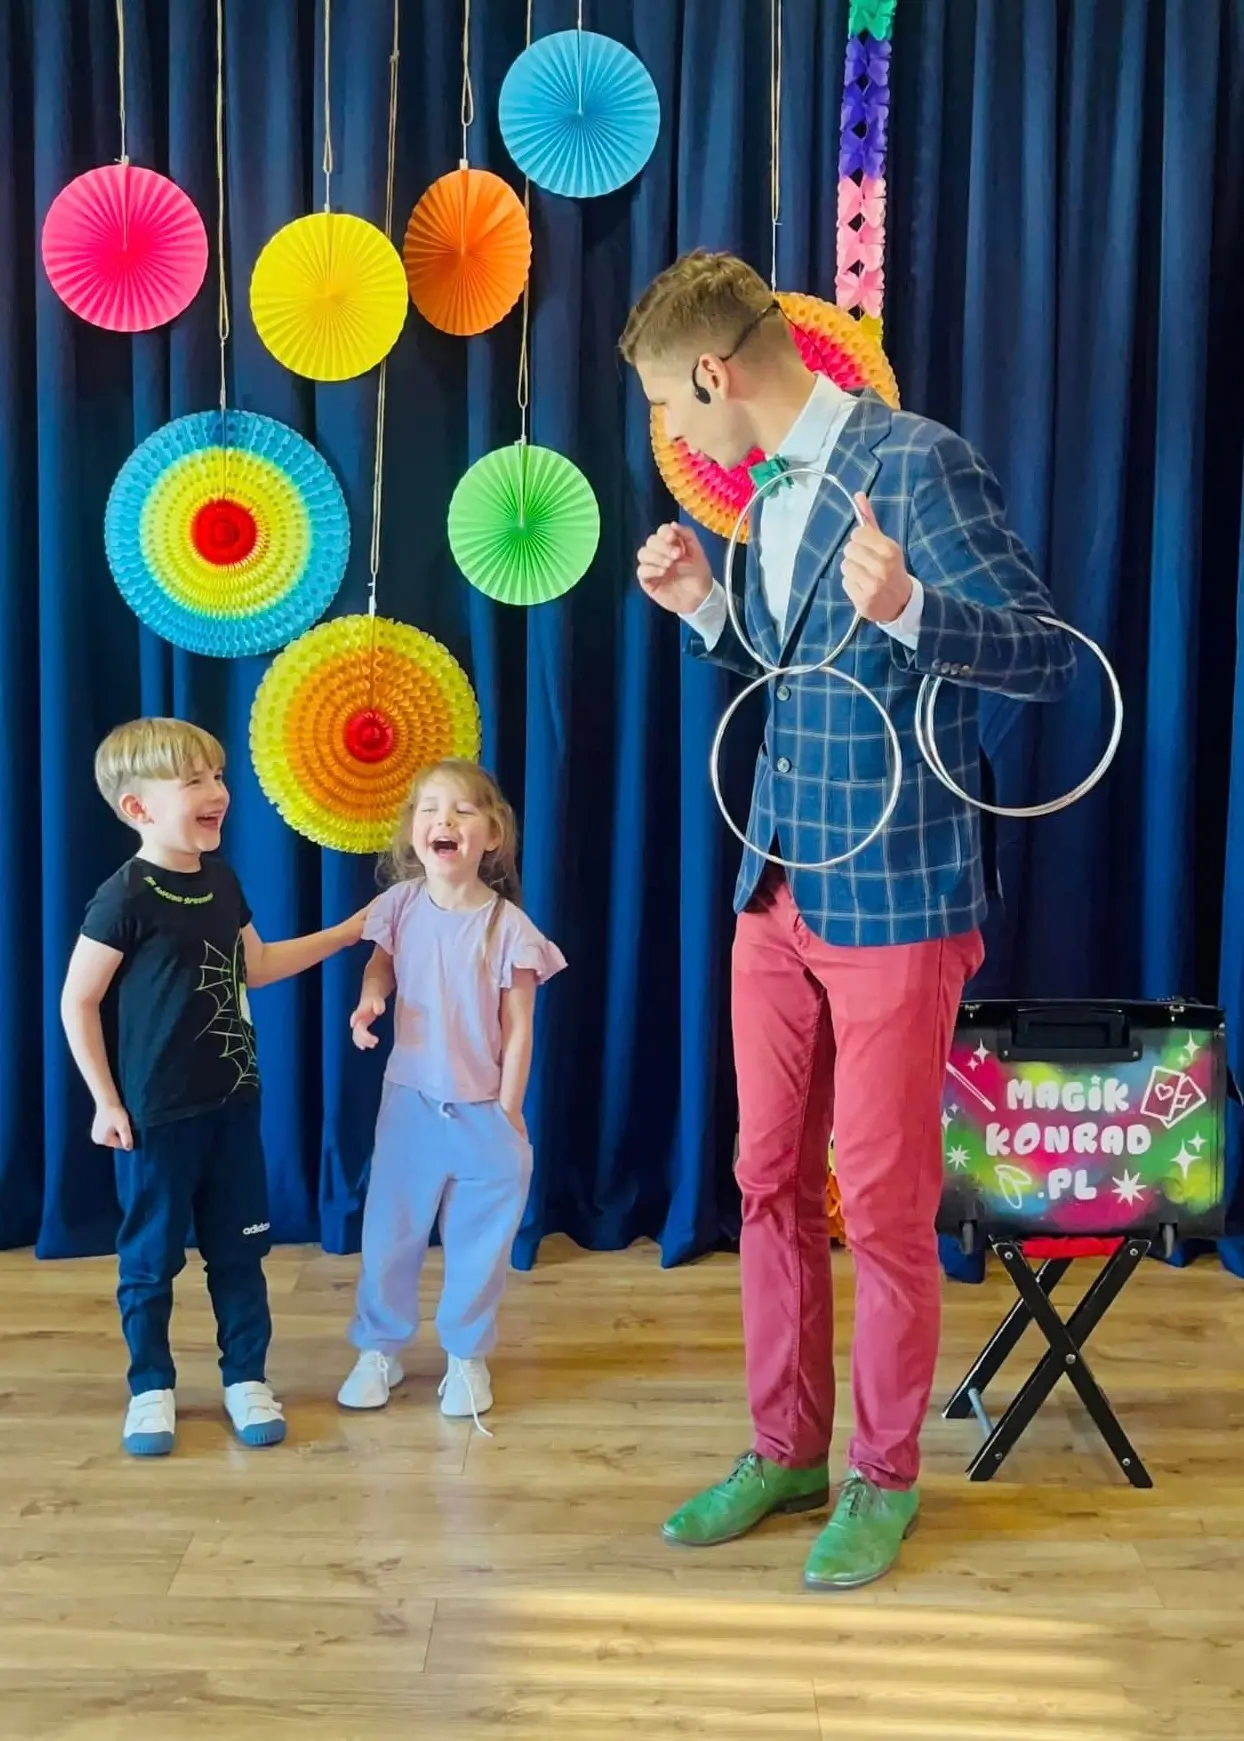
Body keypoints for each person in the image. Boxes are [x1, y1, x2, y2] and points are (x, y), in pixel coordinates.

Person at [621, 251, 1076, 1589]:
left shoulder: (918, 463)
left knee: (878, 1205)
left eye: (668, 400)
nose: (672, 427)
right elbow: (803, 676)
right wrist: (706, 608)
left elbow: (1047, 655)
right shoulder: (764, 495)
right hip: (774, 885)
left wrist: (916, 607)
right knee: (765, 1179)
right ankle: (788, 1449)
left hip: (897, 900)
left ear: (714, 373)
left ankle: (883, 1473)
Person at [60, 718, 370, 1458]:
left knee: (240, 1254)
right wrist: (105, 1100)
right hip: (156, 1118)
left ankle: (246, 1378)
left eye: (219, 776)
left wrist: (347, 932)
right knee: (150, 1262)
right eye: (194, 780)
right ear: (137, 807)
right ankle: (151, 1387)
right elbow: (78, 1000)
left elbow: (254, 967)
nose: (218, 792)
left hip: (234, 1106)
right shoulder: (123, 896)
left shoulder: (223, 882)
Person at [338, 760, 565, 1430]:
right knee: (390, 1235)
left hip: (483, 1113)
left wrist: (509, 1110)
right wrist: (371, 999)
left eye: (463, 810)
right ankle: (379, 1350)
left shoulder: (510, 928)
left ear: (492, 835)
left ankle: (466, 1356)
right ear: (412, 830)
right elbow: (380, 964)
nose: (445, 820)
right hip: (409, 1106)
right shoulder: (399, 906)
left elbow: (519, 1026)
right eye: (430, 808)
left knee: (478, 1246)